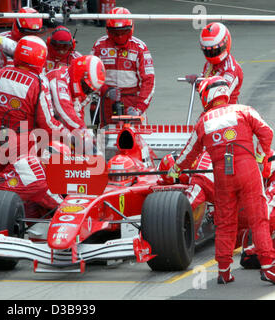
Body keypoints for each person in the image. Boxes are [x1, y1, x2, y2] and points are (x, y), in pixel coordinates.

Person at [168, 75, 275, 284]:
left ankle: (224, 272)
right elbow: (267, 132)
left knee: (225, 223)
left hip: (222, 174)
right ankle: (269, 269)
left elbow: (188, 154)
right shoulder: (244, 110)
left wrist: (173, 171)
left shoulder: (203, 122)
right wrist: (261, 156)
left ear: (207, 96)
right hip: (248, 169)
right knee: (259, 220)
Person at [0, 35, 69, 181]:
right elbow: (47, 123)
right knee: (23, 182)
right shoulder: (39, 83)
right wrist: (69, 136)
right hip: (22, 142)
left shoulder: (2, 73)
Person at [91, 7, 155, 126]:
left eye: (123, 32)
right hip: (107, 100)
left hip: (133, 102)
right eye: (115, 33)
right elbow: (90, 76)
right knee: (106, 139)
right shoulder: (100, 46)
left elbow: (149, 81)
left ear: (131, 28)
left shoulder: (140, 48)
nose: (120, 36)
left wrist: (139, 108)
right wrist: (105, 90)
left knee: (137, 140)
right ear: (108, 30)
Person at [186, 22, 243, 104]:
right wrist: (196, 81)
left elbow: (219, 94)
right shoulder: (209, 64)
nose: (212, 54)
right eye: (208, 51)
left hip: (227, 110)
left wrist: (200, 83)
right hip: (212, 108)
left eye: (215, 50)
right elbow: (203, 87)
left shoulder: (231, 69)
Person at [47, 54, 105, 131]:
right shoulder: (59, 78)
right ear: (79, 74)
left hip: (56, 125)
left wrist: (84, 133)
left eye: (90, 90)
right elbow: (65, 111)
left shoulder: (83, 93)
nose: (87, 92)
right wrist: (83, 131)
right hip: (42, 125)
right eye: (86, 87)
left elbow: (78, 115)